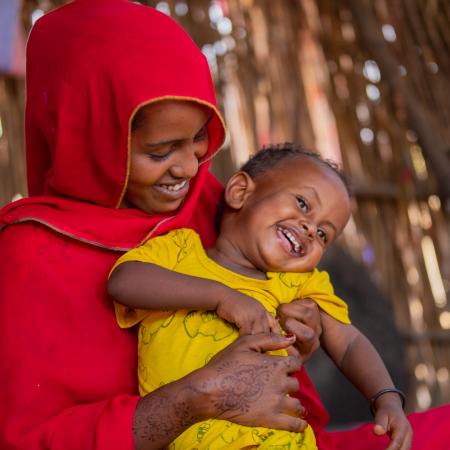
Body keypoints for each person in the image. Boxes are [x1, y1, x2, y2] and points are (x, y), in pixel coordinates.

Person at [0, 1, 449, 450]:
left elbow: (316, 362)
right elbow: (31, 438)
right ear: (88, 133)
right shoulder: (32, 258)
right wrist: (195, 398)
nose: (189, 169)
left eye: (199, 140)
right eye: (161, 152)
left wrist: (302, 342)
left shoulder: (213, 204)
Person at [108, 144, 411, 450]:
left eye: (323, 234)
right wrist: (221, 297)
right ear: (240, 191)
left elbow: (349, 343)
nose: (309, 228)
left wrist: (385, 396)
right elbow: (124, 281)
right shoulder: (180, 251)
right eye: (303, 204)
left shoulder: (297, 283)